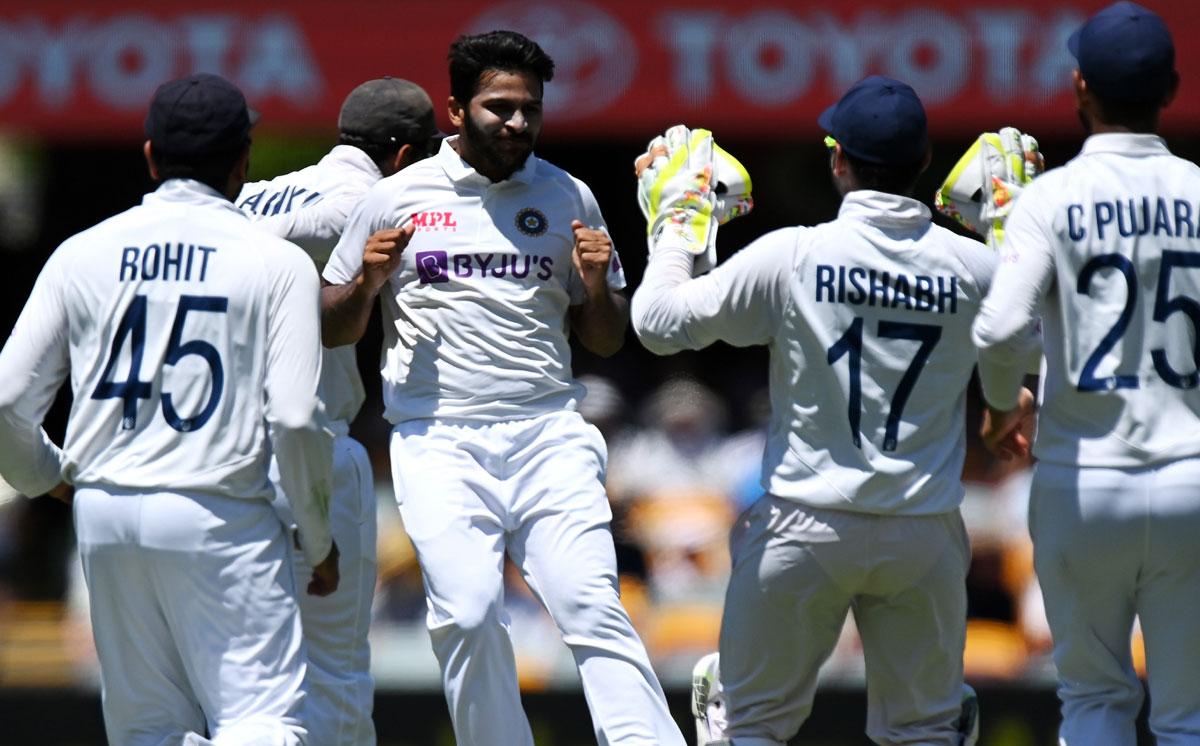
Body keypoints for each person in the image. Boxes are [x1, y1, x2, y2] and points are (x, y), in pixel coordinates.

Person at [320, 30, 685, 746]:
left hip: (548, 428)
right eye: (499, 108)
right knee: (466, 611)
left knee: (589, 604)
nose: (518, 123)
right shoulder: (395, 198)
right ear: (456, 110)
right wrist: (365, 281)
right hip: (438, 436)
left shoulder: (567, 193)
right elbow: (334, 327)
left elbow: (605, 336)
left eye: (531, 109)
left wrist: (594, 288)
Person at [631, 77, 993, 745]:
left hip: (804, 522)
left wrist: (677, 226)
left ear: (838, 160)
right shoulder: (976, 266)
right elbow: (1042, 342)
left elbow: (657, 324)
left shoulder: (794, 254)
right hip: (923, 529)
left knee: (748, 727)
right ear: (924, 163)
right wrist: (1017, 236)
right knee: (927, 732)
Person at [0, 73, 337, 745]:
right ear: (243, 160)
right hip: (221, 510)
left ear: (151, 155)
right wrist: (318, 537)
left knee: (148, 730)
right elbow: (296, 418)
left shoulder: (82, 252)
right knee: (263, 722)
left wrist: (50, 479)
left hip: (105, 513)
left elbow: (6, 399)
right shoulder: (277, 261)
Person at [973, 3, 1200, 743]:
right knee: (1186, 715)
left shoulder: (1051, 197)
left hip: (1082, 477)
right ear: (1170, 89)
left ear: (1079, 87)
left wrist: (1004, 406)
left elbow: (1002, 326)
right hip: (1190, 477)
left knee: (1095, 701)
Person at [236, 76, 439, 746]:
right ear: (406, 157)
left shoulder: (252, 194)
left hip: (220, 456)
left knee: (241, 681)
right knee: (334, 674)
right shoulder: (371, 200)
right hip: (312, 443)